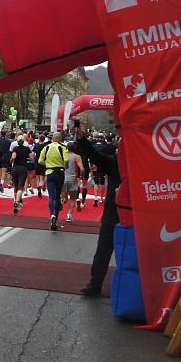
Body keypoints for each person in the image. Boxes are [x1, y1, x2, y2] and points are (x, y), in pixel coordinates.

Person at [74, 126, 120, 296]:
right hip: (114, 214)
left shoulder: (137, 164)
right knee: (103, 250)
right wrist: (82, 140)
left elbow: (96, 156)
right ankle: (95, 283)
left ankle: (98, 283)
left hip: (127, 215)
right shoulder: (115, 163)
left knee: (106, 250)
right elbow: (95, 156)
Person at [38, 132, 69, 231]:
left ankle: (52, 215)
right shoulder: (63, 147)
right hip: (60, 172)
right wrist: (65, 166)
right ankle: (56, 216)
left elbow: (40, 161)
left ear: (52, 139)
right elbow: (66, 159)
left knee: (51, 196)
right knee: (58, 195)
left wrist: (47, 164)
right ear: (60, 139)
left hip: (50, 172)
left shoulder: (46, 148)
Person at [60, 142, 85, 223]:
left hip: (63, 178)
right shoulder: (77, 157)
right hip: (73, 179)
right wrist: (81, 176)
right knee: (73, 198)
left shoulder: (63, 155)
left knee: (63, 196)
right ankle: (69, 215)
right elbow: (82, 169)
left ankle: (62, 201)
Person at [10, 135, 33, 215]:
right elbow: (32, 158)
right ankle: (17, 201)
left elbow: (13, 157)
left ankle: (15, 200)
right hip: (23, 168)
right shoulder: (27, 149)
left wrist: (12, 160)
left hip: (15, 168)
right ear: (23, 141)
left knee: (15, 186)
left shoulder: (15, 148)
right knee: (21, 187)